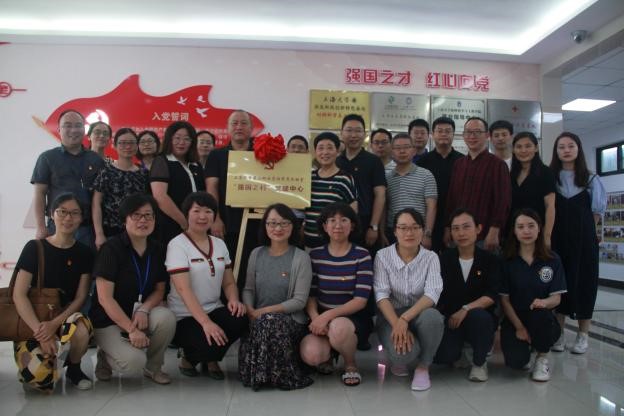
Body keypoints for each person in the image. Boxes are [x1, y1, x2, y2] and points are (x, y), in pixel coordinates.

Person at [90, 194, 176, 384]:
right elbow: (105, 299)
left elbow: (159, 290)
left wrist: (145, 309)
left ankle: (153, 368)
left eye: (148, 215)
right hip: (109, 321)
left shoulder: (158, 249)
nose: (143, 220)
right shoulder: (111, 249)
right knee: (134, 362)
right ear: (125, 219)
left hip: (139, 315)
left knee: (166, 318)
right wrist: (131, 329)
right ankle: (104, 355)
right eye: (136, 215)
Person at [13, 193, 93, 392]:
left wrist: (54, 325)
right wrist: (42, 333)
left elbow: (81, 297)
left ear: (81, 218)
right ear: (51, 214)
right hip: (32, 322)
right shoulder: (34, 248)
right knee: (42, 378)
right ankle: (52, 362)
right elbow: (19, 294)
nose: (68, 218)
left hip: (62, 319)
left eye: (74, 213)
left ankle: (73, 367)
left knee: (81, 329)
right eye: (62, 212)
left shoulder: (85, 253)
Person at [166, 192, 247, 379]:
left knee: (240, 319)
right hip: (185, 315)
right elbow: (184, 290)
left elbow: (229, 282)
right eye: (196, 211)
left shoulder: (219, 244)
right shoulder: (177, 245)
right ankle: (189, 358)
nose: (202, 216)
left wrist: (234, 299)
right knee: (207, 340)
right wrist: (206, 323)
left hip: (214, 308)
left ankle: (211, 359)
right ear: (187, 214)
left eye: (208, 211)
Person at [239, 203, 314, 390]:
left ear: (293, 226)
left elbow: (299, 301)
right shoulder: (256, 254)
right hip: (257, 318)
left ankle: (275, 376)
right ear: (265, 226)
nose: (278, 228)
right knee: (265, 322)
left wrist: (263, 312)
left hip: (291, 321)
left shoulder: (301, 258)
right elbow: (248, 289)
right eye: (272, 223)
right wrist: (250, 310)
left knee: (269, 321)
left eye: (284, 223)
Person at [300, 203, 372, 386]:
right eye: (332, 220)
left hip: (352, 319)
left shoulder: (362, 255)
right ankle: (329, 356)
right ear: (325, 226)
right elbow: (311, 295)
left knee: (339, 328)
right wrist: (316, 318)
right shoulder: (315, 255)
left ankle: (350, 364)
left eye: (343, 220)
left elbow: (360, 301)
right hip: (321, 317)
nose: (338, 225)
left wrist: (327, 317)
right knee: (311, 355)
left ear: (352, 225)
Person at [374, 208, 444, 391]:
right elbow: (381, 295)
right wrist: (397, 323)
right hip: (391, 315)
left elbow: (432, 293)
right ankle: (400, 357)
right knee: (402, 355)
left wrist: (405, 319)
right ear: (395, 231)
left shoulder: (431, 257)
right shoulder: (382, 256)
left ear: (423, 230)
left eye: (415, 227)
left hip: (419, 313)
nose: (409, 233)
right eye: (403, 228)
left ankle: (423, 366)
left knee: (433, 318)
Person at [550, 132, 606, 354]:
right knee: (558, 285)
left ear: (578, 149)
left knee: (585, 284)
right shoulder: (551, 178)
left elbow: (596, 215)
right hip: (558, 241)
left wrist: (586, 236)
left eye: (570, 146)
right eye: (561, 147)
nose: (566, 150)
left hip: (584, 243)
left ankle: (583, 335)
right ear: (556, 151)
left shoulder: (591, 179)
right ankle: (559, 334)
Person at [500, 209, 566, 382]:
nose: (526, 231)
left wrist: (544, 302)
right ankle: (527, 349)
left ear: (539, 229)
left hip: (542, 318)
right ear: (514, 231)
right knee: (516, 362)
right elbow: (504, 301)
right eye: (521, 227)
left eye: (531, 226)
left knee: (540, 316)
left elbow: (556, 298)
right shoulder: (507, 261)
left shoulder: (552, 260)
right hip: (515, 319)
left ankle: (542, 358)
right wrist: (519, 327)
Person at [434, 209, 500, 382]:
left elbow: (492, 294)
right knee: (442, 356)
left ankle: (479, 363)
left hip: (479, 318)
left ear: (478, 228)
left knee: (480, 317)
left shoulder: (490, 260)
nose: (461, 233)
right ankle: (462, 350)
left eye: (466, 227)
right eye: (455, 228)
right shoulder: (444, 259)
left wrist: (466, 309)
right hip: (452, 320)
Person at [31, 109, 105, 249]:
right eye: (68, 125)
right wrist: (40, 227)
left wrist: (99, 233)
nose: (73, 130)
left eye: (78, 125)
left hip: (87, 230)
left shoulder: (95, 159)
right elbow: (39, 193)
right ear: (59, 129)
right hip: (56, 227)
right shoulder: (47, 158)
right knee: (55, 263)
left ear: (84, 129)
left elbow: (99, 199)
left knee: (86, 263)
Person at [205, 110, 258, 286]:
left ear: (251, 128)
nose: (239, 127)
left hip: (258, 222)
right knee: (228, 269)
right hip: (227, 222)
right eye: (234, 123)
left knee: (253, 270)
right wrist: (215, 218)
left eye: (243, 123)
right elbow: (211, 187)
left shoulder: (262, 153)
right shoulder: (217, 155)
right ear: (228, 128)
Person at [445, 117, 511, 252]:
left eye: (477, 132)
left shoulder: (498, 165)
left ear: (487, 135)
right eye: (468, 132)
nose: (472, 136)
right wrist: (447, 228)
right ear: (463, 136)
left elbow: (503, 201)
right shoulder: (459, 164)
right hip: (458, 235)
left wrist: (495, 230)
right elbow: (451, 199)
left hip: (485, 237)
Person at [93, 128, 149, 249]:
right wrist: (99, 234)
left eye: (131, 143)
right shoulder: (106, 171)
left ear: (137, 146)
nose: (127, 147)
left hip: (138, 231)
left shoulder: (143, 173)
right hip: (111, 232)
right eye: (122, 143)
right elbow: (96, 203)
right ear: (114, 145)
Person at [150, 121, 205, 244]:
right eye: (177, 138)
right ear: (169, 139)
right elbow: (160, 197)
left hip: (196, 225)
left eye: (187, 139)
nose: (181, 142)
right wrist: (184, 223)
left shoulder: (196, 164)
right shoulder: (162, 161)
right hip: (171, 224)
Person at [337, 114, 386, 251]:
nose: (353, 135)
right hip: (337, 223)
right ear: (341, 133)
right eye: (349, 130)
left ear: (365, 134)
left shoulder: (373, 161)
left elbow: (380, 195)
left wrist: (373, 226)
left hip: (364, 223)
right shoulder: (336, 161)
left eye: (358, 131)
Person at [417, 116, 464, 253]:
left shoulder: (463, 161)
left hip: (456, 217)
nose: (444, 134)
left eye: (448, 131)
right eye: (440, 131)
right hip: (428, 219)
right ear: (432, 134)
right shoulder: (422, 161)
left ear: (454, 134)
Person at [304, 132, 357, 249]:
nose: (325, 152)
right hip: (308, 240)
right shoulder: (309, 177)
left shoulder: (344, 178)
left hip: (333, 243)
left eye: (329, 148)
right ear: (315, 152)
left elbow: (352, 211)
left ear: (337, 151)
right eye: (320, 148)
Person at [385, 133, 437, 249]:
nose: (402, 151)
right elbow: (385, 208)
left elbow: (432, 207)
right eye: (397, 148)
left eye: (406, 147)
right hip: (393, 233)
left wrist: (427, 234)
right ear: (392, 152)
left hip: (418, 232)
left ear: (414, 151)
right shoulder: (387, 178)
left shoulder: (426, 175)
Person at [509, 132, 556, 246]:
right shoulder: (511, 174)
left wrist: (547, 235)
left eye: (528, 146)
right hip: (514, 232)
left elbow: (550, 206)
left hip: (536, 232)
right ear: (513, 150)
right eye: (519, 147)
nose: (523, 150)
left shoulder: (545, 172)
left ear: (536, 148)